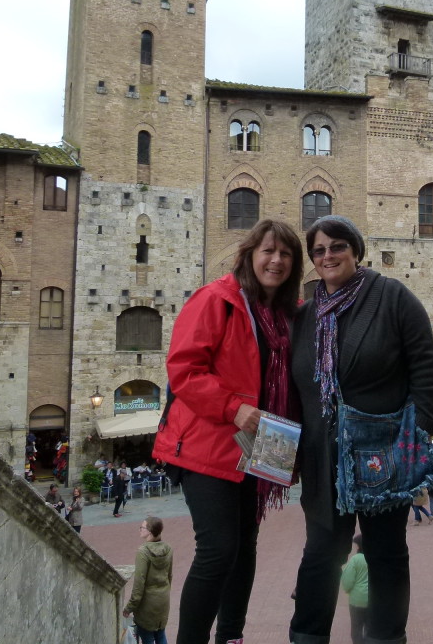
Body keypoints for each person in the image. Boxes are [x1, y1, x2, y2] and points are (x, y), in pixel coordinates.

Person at [288, 215, 433, 644]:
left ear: (356, 250)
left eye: (337, 246)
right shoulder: (305, 316)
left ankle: (387, 637)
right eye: (318, 250)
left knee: (386, 553)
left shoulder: (391, 297)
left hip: (383, 451)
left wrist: (417, 433)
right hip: (324, 456)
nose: (328, 256)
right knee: (321, 554)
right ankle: (307, 636)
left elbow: (425, 368)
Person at [153, 218, 303, 644]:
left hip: (257, 449)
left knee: (244, 551)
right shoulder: (216, 300)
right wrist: (233, 408)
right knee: (218, 550)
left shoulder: (285, 316)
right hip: (206, 446)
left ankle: (231, 636)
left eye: (286, 254)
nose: (276, 261)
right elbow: (184, 369)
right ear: (249, 255)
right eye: (268, 251)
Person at [123, 516, 174, 644]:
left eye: (142, 527)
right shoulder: (168, 548)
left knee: (147, 638)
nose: (140, 529)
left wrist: (129, 608)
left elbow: (139, 585)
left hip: (147, 604)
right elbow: (170, 576)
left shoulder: (143, 552)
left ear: (150, 531)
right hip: (163, 600)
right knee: (161, 634)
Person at [340, 535, 369, 644]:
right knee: (370, 630)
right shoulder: (376, 557)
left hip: (357, 600)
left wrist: (348, 590)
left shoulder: (356, 559)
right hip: (374, 600)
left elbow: (347, 580)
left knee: (356, 630)